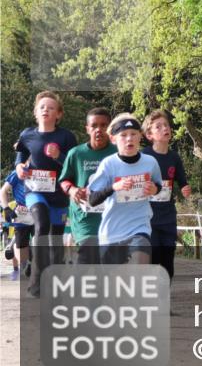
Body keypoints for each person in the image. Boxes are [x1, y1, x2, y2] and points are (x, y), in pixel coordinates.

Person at [14, 91, 77, 297]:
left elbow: (73, 165)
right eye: (42, 107)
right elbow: (21, 155)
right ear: (36, 112)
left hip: (58, 194)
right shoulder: (27, 134)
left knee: (56, 240)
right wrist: (19, 167)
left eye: (51, 108)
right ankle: (35, 285)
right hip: (34, 190)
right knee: (41, 225)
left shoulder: (66, 137)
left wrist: (59, 156)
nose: (45, 110)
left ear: (58, 114)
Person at [87, 114, 162, 265]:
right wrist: (114, 187)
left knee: (140, 265)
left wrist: (154, 189)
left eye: (133, 134)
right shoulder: (108, 164)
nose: (129, 139)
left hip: (139, 227)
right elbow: (92, 200)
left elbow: (158, 186)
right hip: (112, 232)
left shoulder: (150, 162)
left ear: (140, 136)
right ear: (113, 139)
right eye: (123, 135)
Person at [58, 107, 116, 265]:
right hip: (84, 217)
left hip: (111, 216)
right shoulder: (76, 153)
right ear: (87, 129)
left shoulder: (118, 153)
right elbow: (64, 180)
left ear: (110, 129)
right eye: (94, 125)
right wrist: (72, 190)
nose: (99, 130)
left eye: (103, 125)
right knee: (88, 258)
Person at [141, 110, 193, 280]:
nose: (165, 128)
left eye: (166, 125)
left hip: (168, 216)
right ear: (149, 135)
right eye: (159, 126)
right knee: (153, 258)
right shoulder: (144, 156)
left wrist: (185, 189)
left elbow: (182, 181)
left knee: (168, 262)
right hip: (148, 217)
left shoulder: (174, 157)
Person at [1, 172, 32, 281]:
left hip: (38, 210)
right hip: (22, 213)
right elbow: (2, 191)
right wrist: (6, 208)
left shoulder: (43, 169)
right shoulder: (17, 172)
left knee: (42, 241)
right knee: (20, 244)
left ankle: (33, 265)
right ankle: (24, 267)